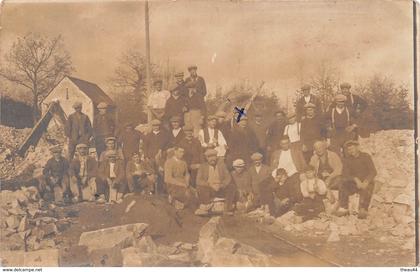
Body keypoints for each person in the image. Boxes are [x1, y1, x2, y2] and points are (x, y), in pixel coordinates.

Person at [336, 140, 377, 219]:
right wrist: (355, 179)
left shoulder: (366, 156)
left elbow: (373, 171)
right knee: (342, 182)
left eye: (352, 148)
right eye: (349, 150)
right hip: (354, 183)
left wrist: (366, 181)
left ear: (357, 148)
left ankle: (363, 209)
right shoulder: (347, 160)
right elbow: (345, 174)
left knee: (368, 188)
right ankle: (344, 208)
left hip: (366, 182)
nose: (351, 151)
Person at [195, 149, 237, 216]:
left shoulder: (222, 166)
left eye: (214, 156)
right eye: (209, 157)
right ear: (206, 158)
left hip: (220, 188)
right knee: (201, 187)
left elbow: (228, 177)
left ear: (216, 157)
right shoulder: (202, 167)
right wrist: (209, 184)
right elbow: (198, 180)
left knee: (231, 187)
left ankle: (227, 208)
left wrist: (222, 185)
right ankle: (206, 207)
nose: (212, 159)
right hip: (209, 189)